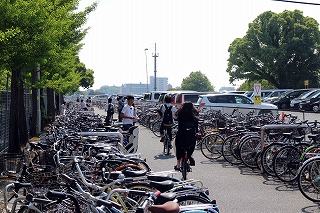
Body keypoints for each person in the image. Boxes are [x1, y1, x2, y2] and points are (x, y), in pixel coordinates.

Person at [174, 102, 199, 171]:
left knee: (177, 147)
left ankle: (178, 164)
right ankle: (189, 157)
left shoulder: (180, 114)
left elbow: (177, 121)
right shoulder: (194, 117)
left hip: (181, 136)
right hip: (191, 137)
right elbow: (196, 130)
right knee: (192, 145)